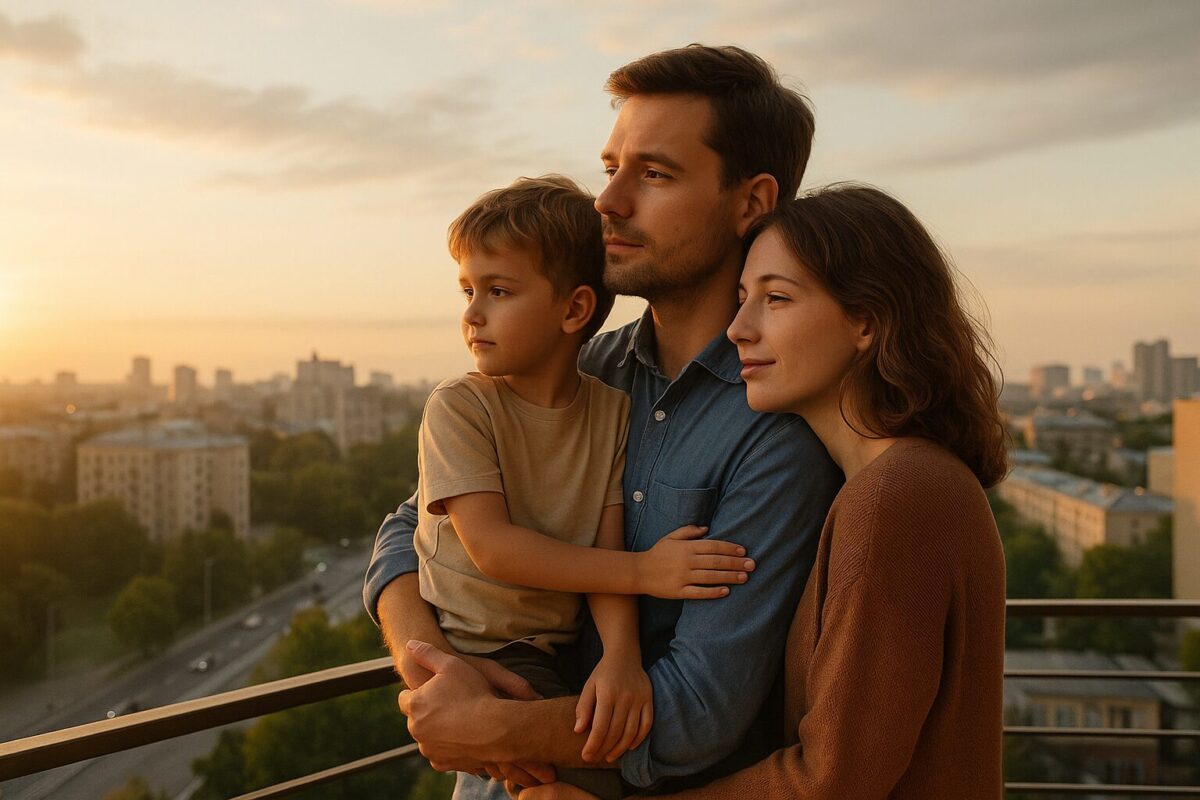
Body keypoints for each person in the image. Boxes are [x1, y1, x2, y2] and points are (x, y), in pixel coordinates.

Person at [365, 45, 843, 797]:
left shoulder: (776, 426)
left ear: (750, 203)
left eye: (653, 174)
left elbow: (700, 711)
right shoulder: (577, 366)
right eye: (611, 166)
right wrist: (435, 667)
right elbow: (410, 526)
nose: (608, 202)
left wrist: (492, 726)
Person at [506, 185, 1009, 798]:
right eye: (743, 298)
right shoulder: (895, 484)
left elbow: (833, 780)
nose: (739, 329)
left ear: (867, 322)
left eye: (776, 299)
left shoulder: (895, 496)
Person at [412, 174, 754, 798]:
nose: (471, 313)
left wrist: (619, 657)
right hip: (484, 648)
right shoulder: (459, 406)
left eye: (497, 290)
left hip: (556, 657)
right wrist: (647, 574)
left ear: (573, 310)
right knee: (594, 767)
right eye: (467, 290)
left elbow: (607, 545)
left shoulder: (609, 411)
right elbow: (493, 548)